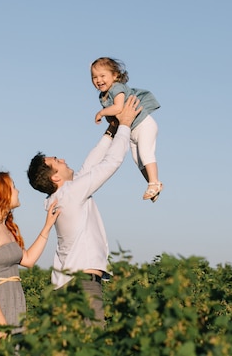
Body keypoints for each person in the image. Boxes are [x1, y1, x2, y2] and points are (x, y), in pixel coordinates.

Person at [27, 96, 142, 326]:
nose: (64, 159)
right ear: (56, 177)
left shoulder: (60, 196)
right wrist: (126, 125)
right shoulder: (72, 193)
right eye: (57, 161)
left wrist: (111, 130)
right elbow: (110, 163)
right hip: (82, 287)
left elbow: (88, 166)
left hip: (65, 287)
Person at [0, 171, 59, 340]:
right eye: (13, 186)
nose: (18, 191)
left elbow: (28, 260)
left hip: (13, 306)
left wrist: (47, 226)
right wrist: (0, 323)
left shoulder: (5, 229)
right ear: (1, 193)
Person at [91, 57, 163, 202]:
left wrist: (101, 113)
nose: (98, 80)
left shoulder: (117, 88)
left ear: (115, 76)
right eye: (94, 77)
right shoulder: (102, 96)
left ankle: (153, 183)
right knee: (138, 160)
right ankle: (153, 186)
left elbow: (118, 107)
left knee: (145, 153)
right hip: (132, 131)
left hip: (143, 125)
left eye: (102, 76)